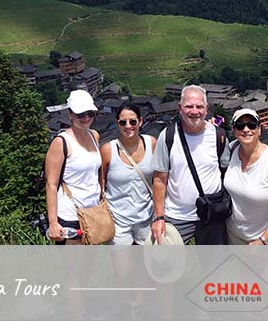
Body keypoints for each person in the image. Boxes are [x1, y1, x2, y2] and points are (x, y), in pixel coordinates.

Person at [150, 85, 228, 245]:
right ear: (180, 108)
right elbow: (159, 179)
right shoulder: (168, 136)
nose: (194, 111)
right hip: (177, 215)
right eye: (188, 106)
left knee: (213, 265)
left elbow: (226, 172)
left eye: (199, 106)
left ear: (206, 108)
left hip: (211, 214)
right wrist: (159, 217)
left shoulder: (218, 136)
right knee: (167, 265)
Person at [223, 108, 268, 245]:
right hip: (233, 235)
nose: (246, 129)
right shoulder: (230, 150)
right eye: (240, 126)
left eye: (252, 125)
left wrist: (263, 240)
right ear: (234, 130)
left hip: (266, 240)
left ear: (259, 129)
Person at [44, 89, 102, 245]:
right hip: (70, 215)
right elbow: (51, 184)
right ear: (70, 114)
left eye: (90, 114)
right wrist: (53, 222)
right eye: (80, 114)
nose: (86, 118)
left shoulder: (94, 135)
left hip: (93, 212)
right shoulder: (61, 142)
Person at [100, 103, 157, 245]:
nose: (128, 126)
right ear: (117, 123)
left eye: (133, 121)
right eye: (122, 122)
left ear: (141, 121)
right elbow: (101, 183)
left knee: (146, 265)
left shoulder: (152, 143)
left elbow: (159, 180)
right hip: (117, 219)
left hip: (147, 218)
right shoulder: (108, 150)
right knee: (122, 267)